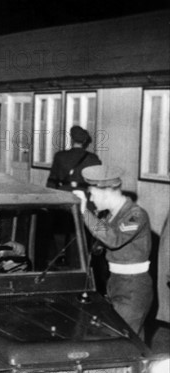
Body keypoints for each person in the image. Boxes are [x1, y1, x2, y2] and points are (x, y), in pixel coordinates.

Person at [73, 165, 153, 335]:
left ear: (105, 193)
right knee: (130, 338)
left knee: (119, 337)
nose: (92, 200)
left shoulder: (136, 215)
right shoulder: (110, 215)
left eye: (92, 195)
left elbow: (114, 239)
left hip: (133, 287)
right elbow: (100, 246)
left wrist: (85, 212)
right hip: (116, 282)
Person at [47, 126, 101, 191]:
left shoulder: (60, 156)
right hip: (84, 194)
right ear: (85, 141)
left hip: (64, 193)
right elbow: (95, 183)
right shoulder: (93, 158)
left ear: (72, 140)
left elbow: (51, 182)